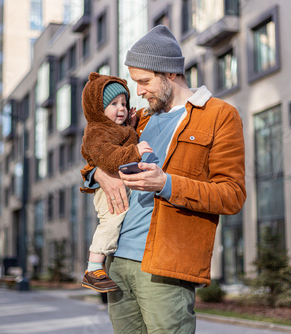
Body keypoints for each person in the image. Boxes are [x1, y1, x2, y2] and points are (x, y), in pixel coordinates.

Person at [80, 25, 246, 333]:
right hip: (116, 262)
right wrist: (99, 174)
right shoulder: (138, 119)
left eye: (144, 81)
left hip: (165, 267)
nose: (139, 92)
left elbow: (232, 194)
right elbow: (96, 154)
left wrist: (165, 184)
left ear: (170, 74)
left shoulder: (220, 115)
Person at [80, 72, 153, 293]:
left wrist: (130, 127)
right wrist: (135, 150)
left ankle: (98, 265)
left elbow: (122, 144)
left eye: (123, 102)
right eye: (113, 104)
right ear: (97, 108)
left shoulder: (115, 128)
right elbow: (109, 158)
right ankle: (93, 268)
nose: (121, 108)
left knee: (116, 220)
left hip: (119, 185)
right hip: (107, 190)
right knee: (111, 220)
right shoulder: (96, 131)